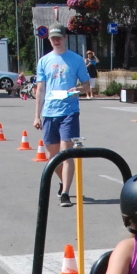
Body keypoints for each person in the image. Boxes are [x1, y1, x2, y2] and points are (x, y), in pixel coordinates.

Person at [32, 23, 90, 208]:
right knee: (53, 157)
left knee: (66, 154)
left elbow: (87, 86)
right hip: (49, 112)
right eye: (52, 38)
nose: (56, 40)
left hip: (69, 112)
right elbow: (40, 89)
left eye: (59, 37)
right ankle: (62, 181)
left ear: (65, 38)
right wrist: (37, 115)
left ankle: (65, 193)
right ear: (49, 40)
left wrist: (78, 89)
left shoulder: (76, 59)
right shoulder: (44, 61)